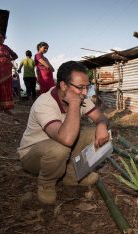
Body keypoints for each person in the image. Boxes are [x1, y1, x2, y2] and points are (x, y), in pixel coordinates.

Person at [17, 61, 110, 205]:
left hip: (62, 148)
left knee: (96, 133)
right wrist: (74, 103)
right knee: (61, 147)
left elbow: (100, 117)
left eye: (87, 87)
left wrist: (102, 125)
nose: (85, 93)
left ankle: (73, 174)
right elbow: (66, 139)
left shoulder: (81, 97)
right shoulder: (44, 103)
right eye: (80, 87)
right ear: (63, 86)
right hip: (33, 155)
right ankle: (47, 182)